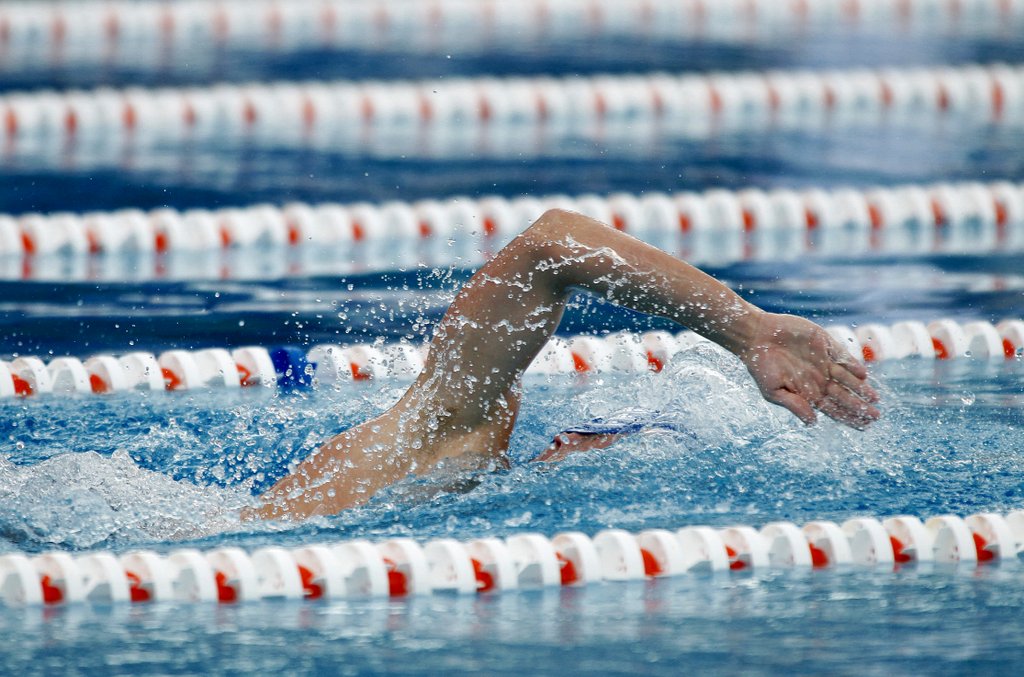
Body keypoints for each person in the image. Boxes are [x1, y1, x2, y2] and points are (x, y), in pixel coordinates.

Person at [247, 209, 880, 521]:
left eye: (600, 441)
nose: (577, 443)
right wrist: (749, 330)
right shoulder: (449, 433)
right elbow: (552, 243)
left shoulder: (466, 479)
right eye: (598, 438)